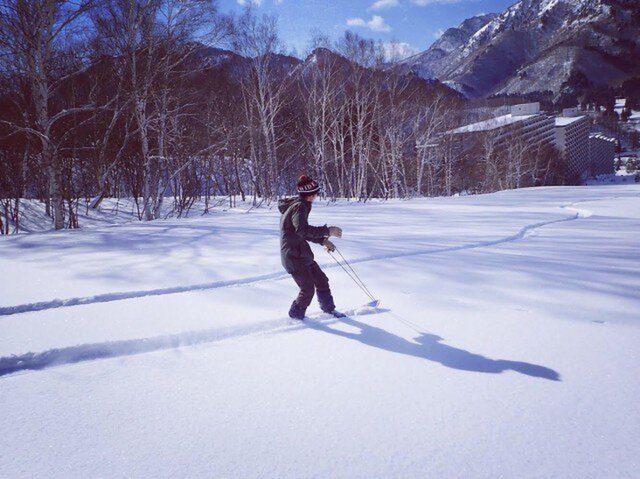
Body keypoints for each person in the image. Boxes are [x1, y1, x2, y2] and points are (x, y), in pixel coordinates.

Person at [278, 175, 342, 320]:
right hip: (294, 256)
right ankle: (295, 317)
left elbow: (301, 231)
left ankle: (329, 310)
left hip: (301, 253)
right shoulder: (299, 206)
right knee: (307, 290)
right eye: (316, 193)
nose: (317, 196)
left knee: (321, 280)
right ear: (310, 194)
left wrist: (322, 241)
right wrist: (327, 230)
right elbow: (302, 230)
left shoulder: (300, 205)